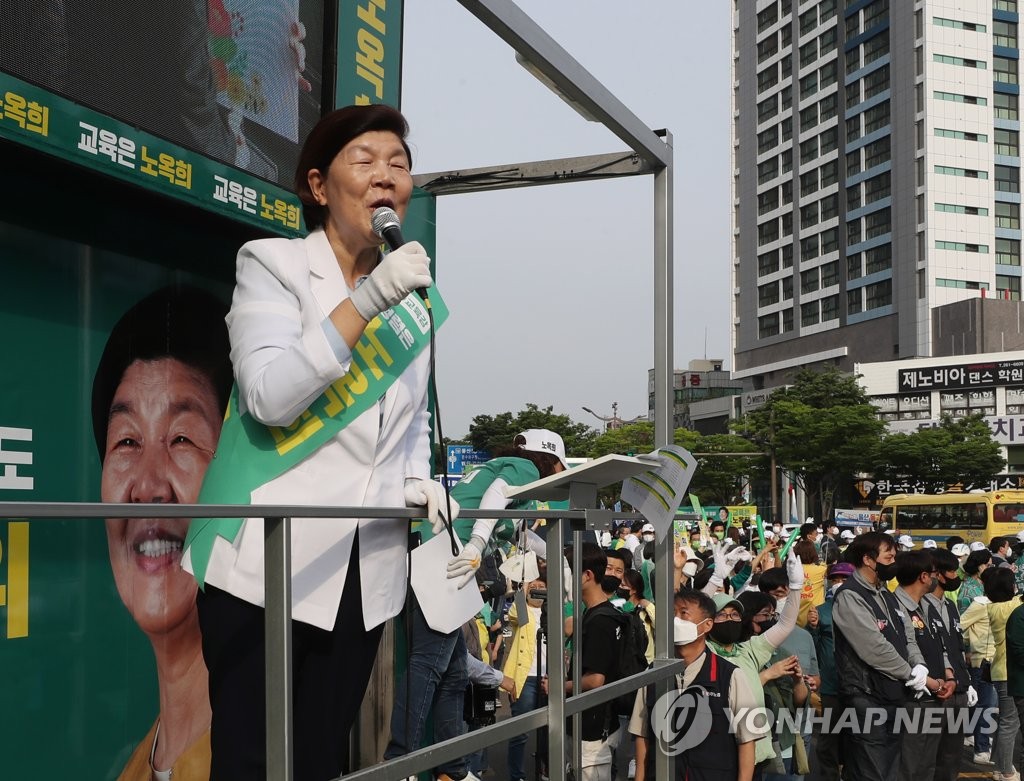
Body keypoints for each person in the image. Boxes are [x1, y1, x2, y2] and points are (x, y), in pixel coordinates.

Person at [182, 104, 452, 781]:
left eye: (399, 164)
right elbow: (271, 395)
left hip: (366, 568)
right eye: (365, 162)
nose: (385, 177)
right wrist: (364, 304)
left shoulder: (413, 299)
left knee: (319, 757)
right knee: (250, 759)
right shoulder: (273, 265)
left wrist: (418, 481)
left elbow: (410, 419)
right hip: (266, 565)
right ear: (318, 186)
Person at [91, 285, 233, 780]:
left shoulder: (266, 755)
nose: (149, 487)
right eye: (126, 441)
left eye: (182, 439)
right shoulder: (138, 766)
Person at [406, 430, 566, 781]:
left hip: (446, 554)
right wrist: (478, 543)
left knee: (453, 674)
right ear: (547, 460)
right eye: (559, 467)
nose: (558, 477)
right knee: (429, 666)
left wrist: (559, 558)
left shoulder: (502, 466)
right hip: (450, 557)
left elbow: (525, 535)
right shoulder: (526, 468)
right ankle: (402, 762)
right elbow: (497, 494)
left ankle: (451, 769)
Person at [629, 590, 761, 781]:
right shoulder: (652, 674)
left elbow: (748, 741)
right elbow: (642, 736)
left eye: (684, 614)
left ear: (707, 625)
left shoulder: (731, 676)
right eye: (672, 613)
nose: (676, 620)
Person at [831, 531, 931, 781]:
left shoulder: (887, 594)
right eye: (889, 556)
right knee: (871, 770)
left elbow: (907, 635)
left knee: (890, 768)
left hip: (893, 693)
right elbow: (873, 647)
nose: (893, 562)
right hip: (866, 696)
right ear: (868, 559)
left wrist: (919, 666)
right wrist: (910, 673)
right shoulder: (850, 595)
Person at [706, 552, 805, 768]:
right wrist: (714, 581)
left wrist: (796, 587)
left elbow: (785, 625)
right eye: (721, 615)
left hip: (754, 754)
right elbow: (691, 616)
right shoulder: (703, 651)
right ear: (708, 622)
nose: (729, 619)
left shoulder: (749, 650)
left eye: (735, 615)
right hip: (716, 751)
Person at [545, 543, 623, 781]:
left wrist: (558, 687)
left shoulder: (600, 621)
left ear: (587, 575)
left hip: (591, 733)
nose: (564, 579)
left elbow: (595, 680)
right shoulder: (597, 613)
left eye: (568, 572)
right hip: (590, 726)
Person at [892, 550, 955, 781]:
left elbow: (940, 645)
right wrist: (933, 683)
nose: (936, 579)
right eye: (934, 574)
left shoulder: (923, 605)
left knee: (927, 764)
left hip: (936, 694)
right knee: (909, 765)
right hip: (914, 698)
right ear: (923, 577)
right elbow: (906, 650)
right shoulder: (896, 607)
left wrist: (948, 676)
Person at [925, 548, 977, 781]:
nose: (955, 577)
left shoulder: (950, 606)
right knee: (928, 756)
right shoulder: (920, 606)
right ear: (935, 574)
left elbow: (957, 645)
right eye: (951, 572)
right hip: (936, 690)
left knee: (952, 756)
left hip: (960, 689)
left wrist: (966, 681)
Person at [809, 561, 853, 781]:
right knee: (828, 736)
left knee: (855, 735)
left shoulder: (861, 609)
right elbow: (814, 648)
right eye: (836, 579)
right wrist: (814, 628)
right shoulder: (819, 611)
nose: (840, 584)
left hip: (857, 684)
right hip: (830, 684)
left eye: (845, 579)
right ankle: (829, 776)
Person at [984, 566, 1020, 781]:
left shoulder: (995, 607)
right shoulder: (1013, 606)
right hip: (1010, 671)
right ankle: (1006, 771)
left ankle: (1000, 766)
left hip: (1000, 669)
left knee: (1005, 722)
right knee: (1010, 724)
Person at [959, 566, 997, 764]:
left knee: (978, 703)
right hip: (983, 661)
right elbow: (960, 625)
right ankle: (982, 750)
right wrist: (967, 647)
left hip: (992, 661)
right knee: (986, 705)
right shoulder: (981, 604)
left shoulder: (1001, 604)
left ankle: (971, 735)